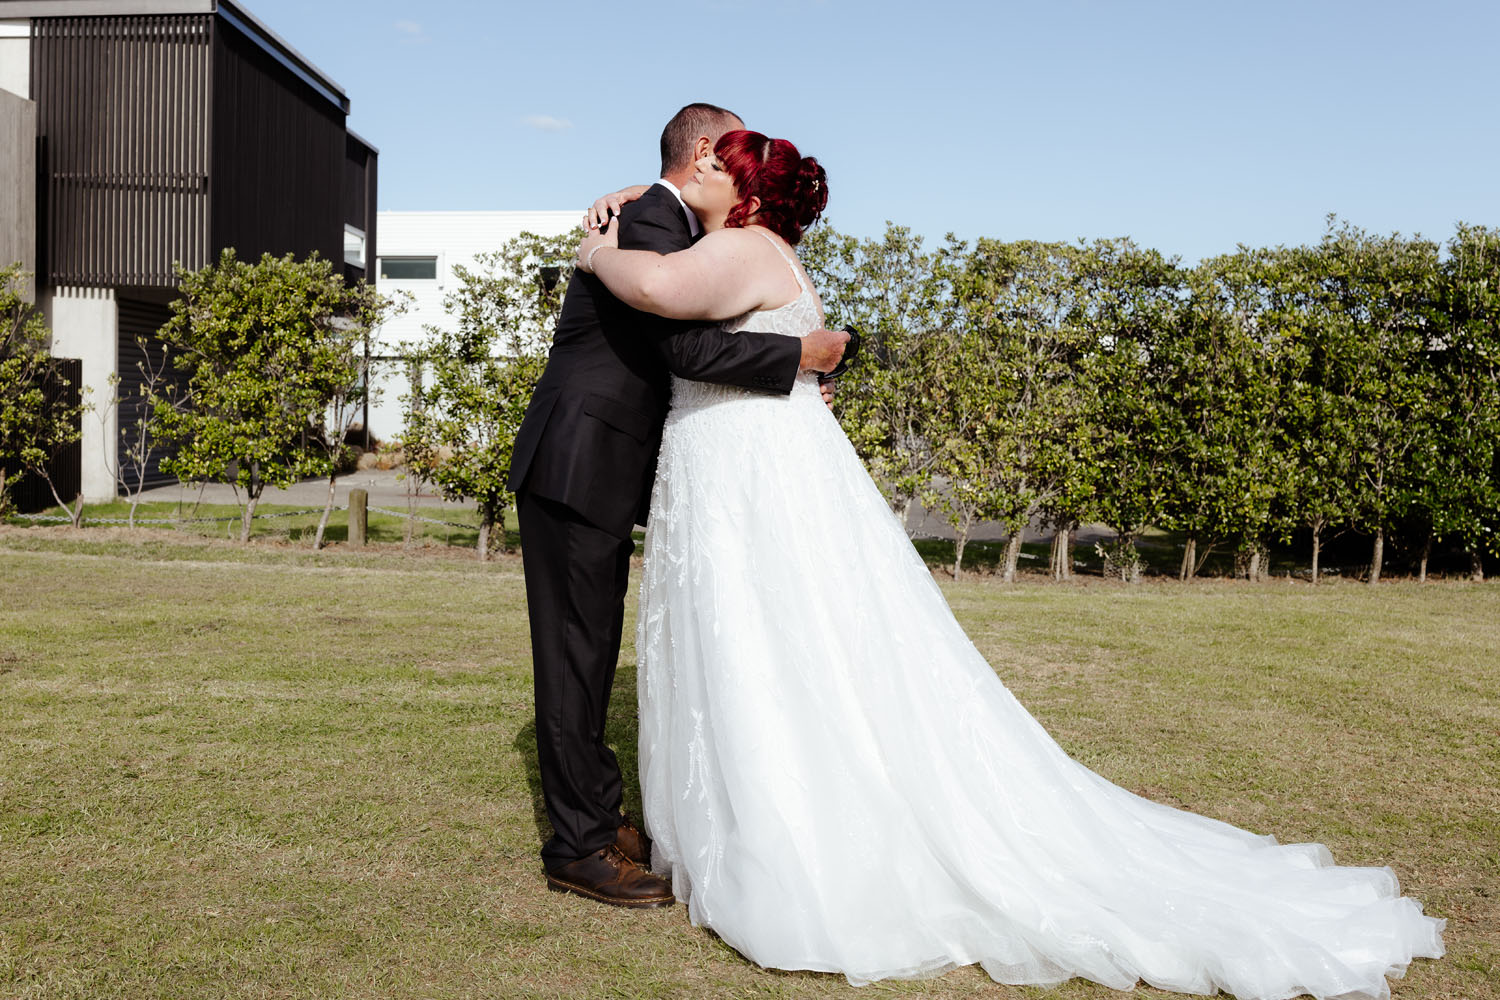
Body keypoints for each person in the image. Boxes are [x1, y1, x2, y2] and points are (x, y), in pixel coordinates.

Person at [571, 129, 1445, 999]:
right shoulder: (765, 250)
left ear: (750, 192)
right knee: (774, 634)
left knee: (759, 636)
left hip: (746, 463)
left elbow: (657, 296)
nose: (702, 172)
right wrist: (649, 208)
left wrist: (594, 252)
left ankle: (792, 833)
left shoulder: (738, 248)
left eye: (720, 164)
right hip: (748, 456)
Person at [508, 104, 851, 910]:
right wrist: (798, 355)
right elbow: (683, 347)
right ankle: (578, 846)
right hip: (578, 459)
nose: (740, 166)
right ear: (703, 151)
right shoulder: (649, 221)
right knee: (575, 656)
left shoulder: (661, 217)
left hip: (601, 463)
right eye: (731, 150)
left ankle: (599, 816)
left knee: (589, 651)